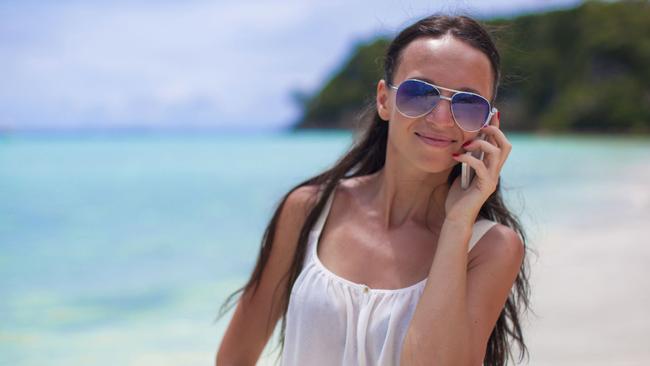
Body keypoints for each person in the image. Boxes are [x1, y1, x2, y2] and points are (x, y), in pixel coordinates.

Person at [216, 14, 531, 366]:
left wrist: (458, 222)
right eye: (420, 93)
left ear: (490, 123)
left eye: (468, 103)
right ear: (384, 100)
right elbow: (234, 356)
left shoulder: (491, 248)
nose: (442, 118)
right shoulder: (309, 211)